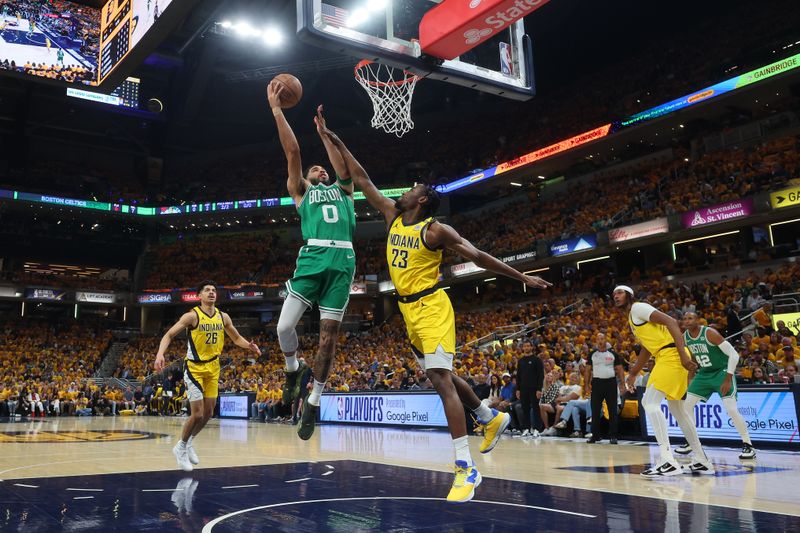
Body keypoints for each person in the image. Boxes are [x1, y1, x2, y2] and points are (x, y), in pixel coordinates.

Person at [320, 116, 551, 502]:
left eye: (413, 188)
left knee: (441, 380)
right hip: (407, 312)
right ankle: (489, 416)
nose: (406, 190)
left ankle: (465, 469)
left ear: (422, 199)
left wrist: (523, 277)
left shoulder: (435, 231)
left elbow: (477, 256)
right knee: (439, 376)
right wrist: (337, 141)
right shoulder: (394, 217)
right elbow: (361, 180)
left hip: (432, 306)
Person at [268, 84, 357, 441]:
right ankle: (293, 369)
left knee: (328, 338)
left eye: (324, 169)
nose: (320, 170)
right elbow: (292, 150)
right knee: (282, 329)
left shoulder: (345, 190)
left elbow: (344, 166)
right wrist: (277, 110)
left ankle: (314, 402)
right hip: (313, 256)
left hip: (343, 258)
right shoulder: (301, 192)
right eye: (315, 169)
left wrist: (324, 134)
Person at [154, 281, 260, 472]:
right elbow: (169, 335)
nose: (211, 293)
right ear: (199, 295)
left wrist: (249, 346)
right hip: (195, 368)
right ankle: (180, 447)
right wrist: (160, 354)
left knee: (209, 412)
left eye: (213, 290)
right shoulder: (191, 316)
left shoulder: (223, 316)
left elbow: (236, 338)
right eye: (207, 290)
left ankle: (189, 442)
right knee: (198, 413)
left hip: (213, 367)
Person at [617, 285, 712, 477]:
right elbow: (647, 348)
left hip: (671, 355)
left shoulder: (638, 308)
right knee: (678, 410)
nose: (615, 296)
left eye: (619, 293)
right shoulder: (633, 318)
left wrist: (684, 356)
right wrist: (634, 371)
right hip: (666, 356)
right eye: (613, 294)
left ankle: (668, 460)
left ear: (629, 295)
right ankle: (702, 460)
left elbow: (671, 322)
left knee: (649, 402)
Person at [677, 312, 756, 460]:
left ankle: (748, 445)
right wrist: (691, 376)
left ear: (698, 320)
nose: (687, 321)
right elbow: (694, 358)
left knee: (731, 409)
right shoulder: (685, 337)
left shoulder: (709, 333)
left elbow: (734, 355)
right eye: (684, 319)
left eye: (690, 318)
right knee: (686, 407)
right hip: (704, 373)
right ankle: (691, 442)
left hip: (722, 372)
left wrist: (728, 378)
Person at [584, 332, 625, 444]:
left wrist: (622, 384)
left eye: (602, 338)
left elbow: (620, 369)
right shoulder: (592, 354)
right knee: (595, 410)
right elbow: (587, 370)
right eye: (598, 338)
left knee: (612, 410)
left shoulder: (613, 354)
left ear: (605, 340)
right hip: (597, 383)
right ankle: (595, 435)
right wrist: (586, 385)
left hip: (610, 383)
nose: (600, 340)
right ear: (596, 341)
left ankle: (613, 436)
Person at [516, 340, 544, 437]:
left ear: (532, 347)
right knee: (525, 409)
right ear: (523, 348)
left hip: (534, 388)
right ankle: (526, 428)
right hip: (523, 388)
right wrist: (518, 389)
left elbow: (541, 376)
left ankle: (537, 429)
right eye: (525, 346)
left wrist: (539, 389)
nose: (527, 348)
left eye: (528, 346)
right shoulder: (520, 361)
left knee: (536, 409)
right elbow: (518, 376)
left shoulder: (537, 360)